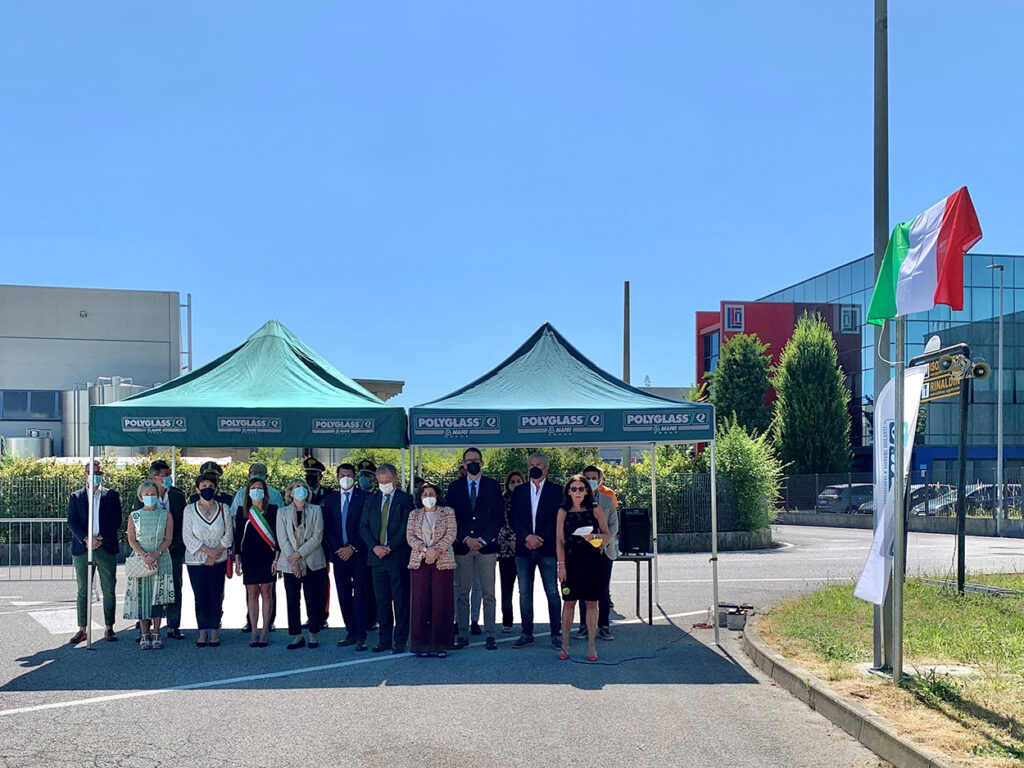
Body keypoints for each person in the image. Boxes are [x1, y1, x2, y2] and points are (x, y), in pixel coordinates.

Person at [446, 447, 504, 651]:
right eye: (469, 460)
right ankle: (462, 634)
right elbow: (451, 517)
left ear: (482, 462)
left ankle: (490, 634)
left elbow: (498, 516)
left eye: (476, 460)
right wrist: (465, 538)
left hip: (486, 547)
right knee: (462, 593)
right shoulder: (454, 487)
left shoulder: (492, 485)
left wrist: (483, 539)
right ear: (464, 464)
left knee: (489, 593)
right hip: (463, 547)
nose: (472, 463)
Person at [509, 452, 564, 649]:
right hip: (524, 549)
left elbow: (558, 519)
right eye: (531, 464)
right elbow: (513, 517)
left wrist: (540, 538)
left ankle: (556, 634)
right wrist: (527, 537)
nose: (535, 467)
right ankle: (526, 633)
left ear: (546, 468)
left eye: (539, 464)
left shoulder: (557, 491)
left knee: (552, 591)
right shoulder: (519, 491)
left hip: (547, 548)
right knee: (524, 593)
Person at [359, 462, 414, 654]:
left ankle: (400, 640)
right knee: (381, 601)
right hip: (376, 557)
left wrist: (390, 546)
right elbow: (363, 526)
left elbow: (406, 526)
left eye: (387, 481)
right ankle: (384, 639)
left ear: (395, 479)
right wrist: (375, 547)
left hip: (397, 556)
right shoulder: (372, 499)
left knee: (400, 600)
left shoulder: (405, 499)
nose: (384, 484)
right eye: (381, 481)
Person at [556, 475, 611, 662]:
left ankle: (591, 645)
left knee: (592, 603)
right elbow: (559, 541)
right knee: (569, 603)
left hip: (592, 562)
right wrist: (561, 566)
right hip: (570, 562)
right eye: (574, 489)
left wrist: (595, 537)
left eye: (581, 488)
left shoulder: (595, 509)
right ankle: (565, 643)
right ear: (568, 492)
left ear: (587, 491)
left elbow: (607, 535)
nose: (577, 492)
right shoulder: (563, 511)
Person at [66, 462, 122, 644]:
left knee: (109, 589)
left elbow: (116, 520)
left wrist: (100, 538)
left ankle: (109, 627)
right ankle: (82, 629)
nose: (96, 475)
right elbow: (72, 521)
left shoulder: (111, 495)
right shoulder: (76, 496)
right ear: (85, 474)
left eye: (99, 472)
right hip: (82, 549)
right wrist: (86, 538)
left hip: (105, 547)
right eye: (92, 472)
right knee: (83, 590)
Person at [135, 460, 187, 641]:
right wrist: (146, 552)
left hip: (173, 550)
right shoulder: (143, 495)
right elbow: (137, 524)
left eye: (168, 475)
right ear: (154, 477)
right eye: (164, 476)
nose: (168, 478)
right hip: (149, 552)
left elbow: (183, 523)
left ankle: (173, 625)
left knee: (175, 588)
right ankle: (144, 629)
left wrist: (174, 544)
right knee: (147, 588)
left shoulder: (178, 496)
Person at [232, 462, 284, 633]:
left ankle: (268, 625)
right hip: (249, 555)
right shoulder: (241, 504)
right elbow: (237, 530)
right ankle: (252, 626)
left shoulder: (274, 501)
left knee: (268, 592)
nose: (256, 490)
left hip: (268, 555)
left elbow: (279, 530)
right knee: (251, 592)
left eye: (260, 473)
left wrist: (278, 558)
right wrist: (237, 558)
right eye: (254, 472)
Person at [407, 482, 457, 658]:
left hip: (442, 561)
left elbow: (451, 533)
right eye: (424, 494)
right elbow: (410, 536)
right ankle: (420, 645)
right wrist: (425, 550)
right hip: (419, 561)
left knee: (441, 601)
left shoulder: (447, 512)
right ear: (420, 498)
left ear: (437, 495)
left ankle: (440, 645)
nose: (428, 497)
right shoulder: (414, 514)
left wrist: (436, 550)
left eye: (431, 493)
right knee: (420, 602)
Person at [182, 473, 233, 647]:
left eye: (211, 486)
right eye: (203, 486)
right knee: (200, 596)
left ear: (216, 488)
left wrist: (216, 552)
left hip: (219, 559)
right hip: (196, 561)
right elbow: (188, 536)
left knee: (216, 595)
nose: (207, 489)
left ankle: (215, 631)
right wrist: (207, 552)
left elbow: (228, 535)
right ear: (197, 489)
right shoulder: (189, 510)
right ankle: (202, 631)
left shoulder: (224, 508)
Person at [124, 480, 176, 650]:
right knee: (142, 597)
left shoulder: (166, 515)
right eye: (146, 494)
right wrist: (144, 555)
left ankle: (157, 632)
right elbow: (131, 539)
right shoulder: (134, 516)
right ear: (140, 497)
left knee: (158, 597)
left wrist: (156, 553)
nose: (150, 497)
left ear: (158, 496)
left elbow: (168, 538)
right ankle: (144, 633)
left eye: (153, 494)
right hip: (141, 560)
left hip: (161, 558)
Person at [277, 480, 328, 649]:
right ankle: (296, 635)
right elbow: (282, 538)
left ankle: (313, 633)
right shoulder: (282, 512)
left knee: (313, 598)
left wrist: (299, 554)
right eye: (297, 488)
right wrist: (292, 559)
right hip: (290, 563)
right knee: (292, 598)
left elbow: (317, 536)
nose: (301, 490)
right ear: (290, 492)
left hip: (312, 560)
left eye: (304, 488)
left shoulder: (316, 510)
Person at [323, 463, 369, 650]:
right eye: (342, 475)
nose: (346, 478)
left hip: (358, 554)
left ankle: (362, 633)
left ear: (354, 477)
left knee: (360, 594)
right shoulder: (331, 499)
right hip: (339, 555)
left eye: (349, 475)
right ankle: (350, 631)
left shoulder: (364, 497)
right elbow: (327, 527)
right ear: (337, 478)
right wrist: (338, 548)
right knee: (343, 594)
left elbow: (366, 526)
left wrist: (352, 547)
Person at [579, 465, 619, 641]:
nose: (590, 481)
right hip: (583, 551)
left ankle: (604, 625)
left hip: (604, 551)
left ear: (600, 479)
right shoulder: (576, 499)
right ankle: (584, 625)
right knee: (583, 588)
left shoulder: (608, 500)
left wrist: (603, 542)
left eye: (593, 478)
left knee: (602, 589)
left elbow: (614, 525)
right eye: (587, 478)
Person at [498, 471, 525, 633]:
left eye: (518, 481)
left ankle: (526, 622)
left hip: (524, 550)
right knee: (507, 589)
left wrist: (520, 541)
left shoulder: (528, 499)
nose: (515, 484)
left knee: (525, 589)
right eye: (512, 481)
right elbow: (501, 523)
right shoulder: (502, 501)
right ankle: (507, 621)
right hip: (506, 552)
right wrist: (510, 541)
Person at [356, 459, 379, 632]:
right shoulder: (356, 496)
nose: (364, 478)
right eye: (362, 475)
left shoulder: (378, 496)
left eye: (368, 475)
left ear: (374, 478)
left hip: (375, 547)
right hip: (358, 548)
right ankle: (362, 618)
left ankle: (374, 618)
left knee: (374, 586)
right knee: (361, 586)